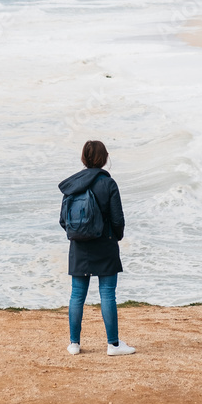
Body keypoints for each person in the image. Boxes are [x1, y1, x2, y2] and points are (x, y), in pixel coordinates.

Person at [58, 140, 136, 356]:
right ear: (105, 158)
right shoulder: (109, 184)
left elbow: (63, 220)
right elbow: (117, 218)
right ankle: (113, 345)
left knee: (77, 295)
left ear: (84, 158)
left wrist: (77, 235)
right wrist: (115, 237)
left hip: (79, 246)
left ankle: (74, 344)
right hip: (105, 243)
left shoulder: (73, 184)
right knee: (108, 294)